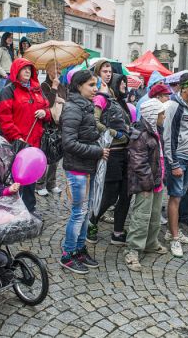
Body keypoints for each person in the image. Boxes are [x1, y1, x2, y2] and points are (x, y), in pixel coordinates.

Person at [59, 70, 109, 274]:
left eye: (96, 84)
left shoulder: (86, 107)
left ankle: (79, 249)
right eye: (91, 84)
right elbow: (69, 143)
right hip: (77, 168)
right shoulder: (72, 108)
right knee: (78, 213)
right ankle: (67, 254)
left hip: (87, 167)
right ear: (79, 86)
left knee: (86, 212)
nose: (95, 88)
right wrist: (98, 151)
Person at [0, 58, 50, 214]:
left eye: (30, 69)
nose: (27, 71)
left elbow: (47, 110)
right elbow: (4, 118)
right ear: (16, 71)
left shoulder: (37, 89)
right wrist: (16, 137)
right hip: (18, 142)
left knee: (31, 177)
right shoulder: (9, 90)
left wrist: (44, 113)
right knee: (16, 178)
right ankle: (16, 210)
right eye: (24, 68)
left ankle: (29, 208)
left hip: (35, 142)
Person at [124, 99, 169, 271]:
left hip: (156, 180)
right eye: (161, 114)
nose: (164, 117)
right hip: (146, 183)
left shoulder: (156, 130)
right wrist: (148, 183)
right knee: (141, 216)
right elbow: (138, 162)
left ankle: (151, 242)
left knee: (155, 215)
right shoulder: (141, 134)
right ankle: (133, 250)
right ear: (152, 115)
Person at [88, 73, 132, 245]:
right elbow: (94, 122)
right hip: (112, 152)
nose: (125, 86)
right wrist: (114, 134)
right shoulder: (102, 99)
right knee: (110, 194)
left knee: (126, 194)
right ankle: (91, 221)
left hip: (127, 153)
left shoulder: (121, 103)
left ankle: (118, 232)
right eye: (122, 83)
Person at [163, 73, 188, 257]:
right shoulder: (173, 106)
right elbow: (168, 137)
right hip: (177, 160)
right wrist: (173, 163)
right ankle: (174, 238)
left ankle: (172, 230)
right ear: (184, 87)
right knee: (175, 198)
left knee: (181, 196)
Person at [37, 59, 67, 196]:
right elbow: (46, 104)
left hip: (58, 124)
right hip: (46, 125)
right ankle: (40, 184)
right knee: (44, 155)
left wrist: (62, 101)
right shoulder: (43, 85)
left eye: (59, 70)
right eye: (55, 69)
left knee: (55, 156)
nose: (57, 72)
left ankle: (52, 183)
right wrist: (54, 88)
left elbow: (66, 101)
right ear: (48, 70)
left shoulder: (62, 86)